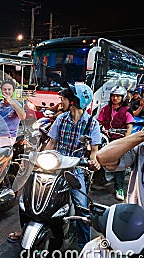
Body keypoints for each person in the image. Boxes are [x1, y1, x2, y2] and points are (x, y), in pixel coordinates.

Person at [8, 83, 101, 247]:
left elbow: (94, 152)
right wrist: (39, 158)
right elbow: (51, 143)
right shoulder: (61, 118)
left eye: (64, 99)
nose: (61, 102)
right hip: (55, 164)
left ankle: (84, 245)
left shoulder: (92, 124)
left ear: (74, 101)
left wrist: (93, 161)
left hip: (76, 168)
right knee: (30, 194)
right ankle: (26, 229)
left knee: (81, 206)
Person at [96, 99, 144, 219]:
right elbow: (102, 157)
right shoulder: (141, 150)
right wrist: (140, 136)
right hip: (139, 228)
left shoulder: (127, 111)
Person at [97, 85, 134, 201]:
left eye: (118, 96)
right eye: (113, 96)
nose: (115, 98)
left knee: (119, 164)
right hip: (106, 139)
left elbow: (129, 127)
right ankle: (99, 180)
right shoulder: (105, 108)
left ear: (123, 98)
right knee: (97, 157)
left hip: (119, 141)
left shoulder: (127, 110)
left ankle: (119, 188)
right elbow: (99, 122)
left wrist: (125, 142)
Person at [0, 79, 26, 147]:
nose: (7, 91)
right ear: (1, 91)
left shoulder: (16, 104)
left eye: (9, 89)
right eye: (4, 89)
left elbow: (23, 116)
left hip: (7, 137)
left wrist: (11, 101)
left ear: (13, 91)